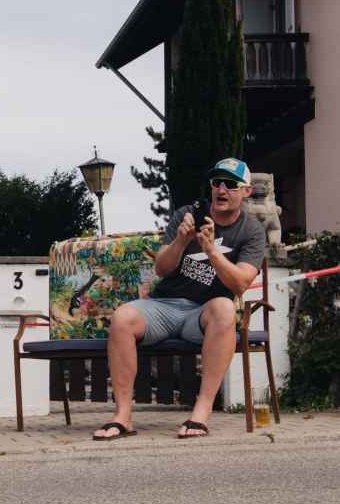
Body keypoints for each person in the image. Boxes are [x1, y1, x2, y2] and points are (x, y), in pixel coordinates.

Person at [93, 157, 266, 441]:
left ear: (246, 191)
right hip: (165, 305)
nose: (221, 189)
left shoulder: (252, 230)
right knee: (122, 317)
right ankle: (122, 417)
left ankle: (201, 412)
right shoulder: (187, 214)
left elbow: (240, 283)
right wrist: (181, 241)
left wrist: (211, 251)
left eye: (231, 184)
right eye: (217, 182)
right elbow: (161, 268)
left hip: (204, 314)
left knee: (225, 308)